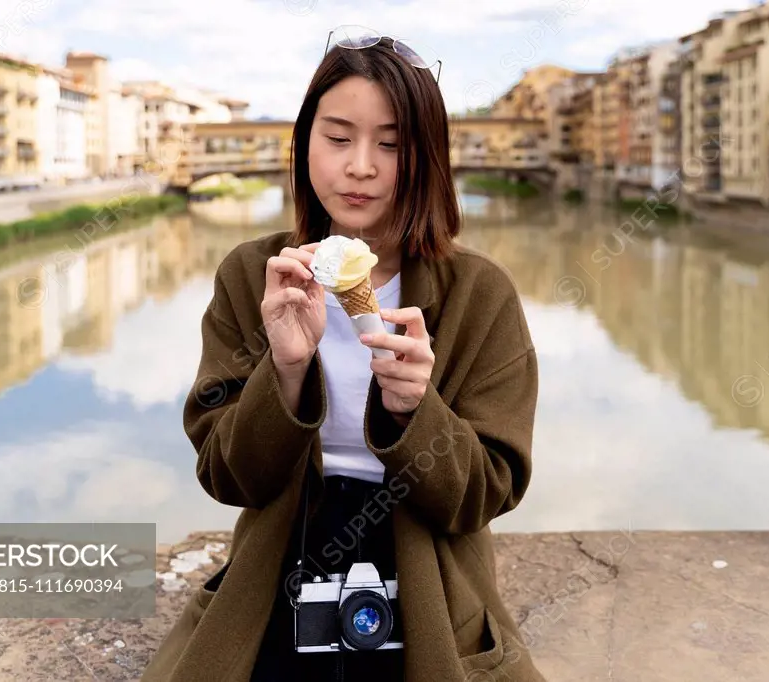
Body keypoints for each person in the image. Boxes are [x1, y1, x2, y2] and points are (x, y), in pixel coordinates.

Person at [141, 25, 544, 682]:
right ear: (304, 149)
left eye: (392, 144)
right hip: (281, 568)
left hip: (430, 586)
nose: (361, 165)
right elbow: (228, 478)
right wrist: (288, 369)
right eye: (337, 139)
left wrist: (418, 410)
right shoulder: (252, 275)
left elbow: (486, 494)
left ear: (429, 159)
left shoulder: (480, 293)